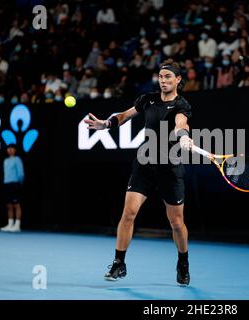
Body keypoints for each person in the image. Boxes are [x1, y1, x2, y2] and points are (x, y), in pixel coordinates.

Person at [85, 59, 193, 286]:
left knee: (176, 222)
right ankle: (118, 263)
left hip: (170, 170)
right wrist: (106, 124)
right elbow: (124, 115)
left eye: (168, 77)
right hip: (144, 166)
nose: (163, 81)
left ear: (178, 80)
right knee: (129, 213)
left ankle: (183, 263)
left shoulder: (182, 105)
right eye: (161, 77)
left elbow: (181, 124)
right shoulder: (148, 99)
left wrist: (183, 136)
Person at [0, 144, 24, 232]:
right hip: (7, 184)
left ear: (15, 150)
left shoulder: (17, 159)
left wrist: (19, 183)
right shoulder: (5, 160)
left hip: (15, 184)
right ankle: (10, 224)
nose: (9, 150)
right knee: (9, 205)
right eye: (8, 148)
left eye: (11, 148)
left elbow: (21, 173)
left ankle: (17, 225)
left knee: (16, 205)